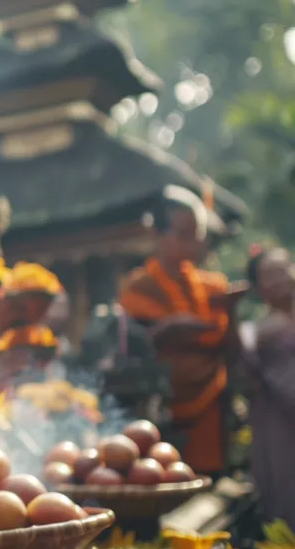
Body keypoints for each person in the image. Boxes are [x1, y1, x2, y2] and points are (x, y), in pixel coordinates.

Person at [117, 185, 234, 477]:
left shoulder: (214, 287)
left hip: (211, 403)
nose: (191, 244)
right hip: (162, 407)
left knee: (208, 479)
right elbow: (131, 350)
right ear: (155, 234)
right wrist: (164, 330)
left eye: (195, 235)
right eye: (181, 234)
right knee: (163, 473)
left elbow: (227, 342)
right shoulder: (138, 287)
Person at [242, 245, 295, 528]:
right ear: (258, 287)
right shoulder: (257, 333)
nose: (281, 278)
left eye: (283, 268)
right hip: (282, 431)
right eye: (269, 274)